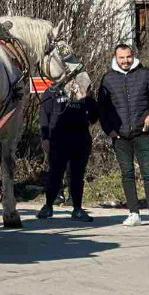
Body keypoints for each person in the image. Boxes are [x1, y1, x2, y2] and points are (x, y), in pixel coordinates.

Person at [98, 43, 149, 228]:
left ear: (133, 56)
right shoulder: (108, 79)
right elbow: (102, 108)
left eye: (128, 57)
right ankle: (134, 214)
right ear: (115, 58)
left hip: (142, 133)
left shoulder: (145, 74)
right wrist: (110, 131)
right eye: (121, 58)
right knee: (127, 174)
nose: (125, 61)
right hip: (120, 136)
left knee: (148, 174)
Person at [37, 77, 99, 222]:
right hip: (57, 139)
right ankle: (48, 206)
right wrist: (45, 137)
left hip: (80, 139)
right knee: (55, 174)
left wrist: (88, 121)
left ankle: (77, 208)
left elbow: (95, 110)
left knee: (77, 175)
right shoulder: (51, 91)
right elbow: (44, 116)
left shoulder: (82, 89)